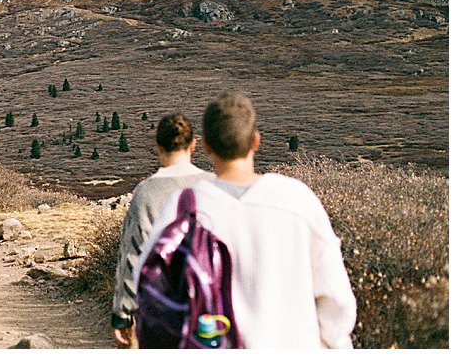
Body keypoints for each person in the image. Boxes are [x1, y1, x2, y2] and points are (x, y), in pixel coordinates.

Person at [135, 92, 356, 348]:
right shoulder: (298, 201)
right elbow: (336, 300)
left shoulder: (182, 206)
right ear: (256, 141)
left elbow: (149, 285)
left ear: (205, 146)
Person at [111, 113, 213, 347]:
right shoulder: (213, 184)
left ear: (158, 146)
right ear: (193, 145)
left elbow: (132, 256)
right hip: (209, 303)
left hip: (161, 307)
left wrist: (123, 313)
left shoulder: (146, 193)